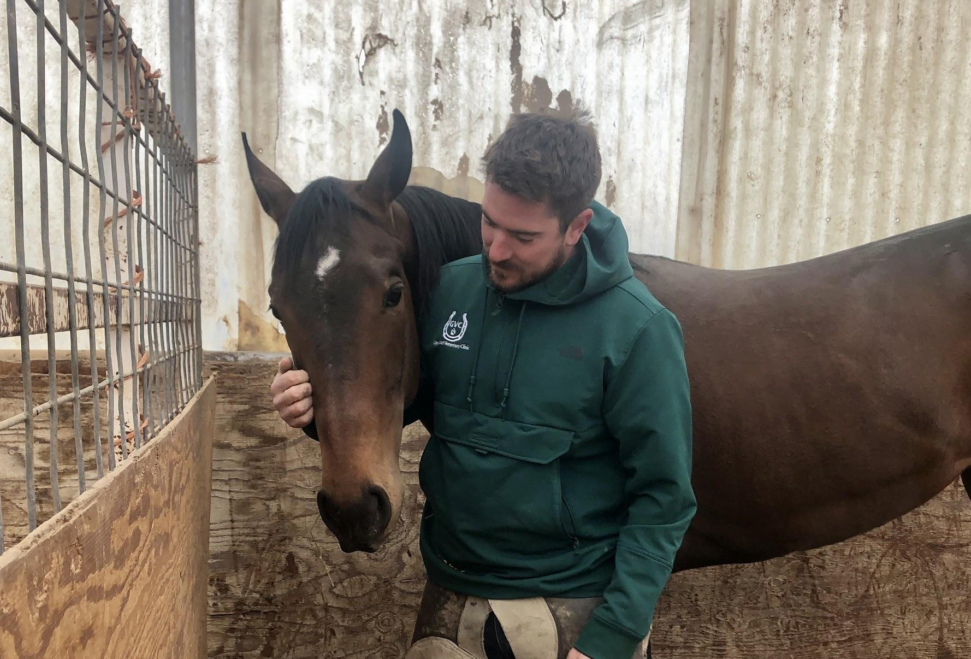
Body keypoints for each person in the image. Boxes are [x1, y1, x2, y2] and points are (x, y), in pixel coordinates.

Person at [271, 109, 696, 659]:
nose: (494, 250)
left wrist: (612, 637)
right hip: (452, 595)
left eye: (521, 236)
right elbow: (408, 398)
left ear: (577, 226)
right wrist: (310, 410)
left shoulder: (638, 329)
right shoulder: (455, 286)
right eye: (489, 223)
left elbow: (664, 496)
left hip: (574, 605)